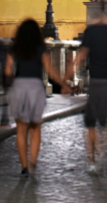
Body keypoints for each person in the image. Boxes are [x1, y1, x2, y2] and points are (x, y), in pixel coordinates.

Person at [68, 8, 107, 179]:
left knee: (90, 122)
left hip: (95, 81)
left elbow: (81, 56)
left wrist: (67, 78)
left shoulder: (90, 32)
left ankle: (92, 162)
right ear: (106, 16)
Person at [4, 19, 70, 177]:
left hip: (19, 86)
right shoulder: (41, 49)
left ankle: (24, 165)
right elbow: (50, 70)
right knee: (35, 128)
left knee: (21, 129)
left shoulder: (15, 49)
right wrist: (63, 83)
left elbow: (7, 71)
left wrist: (16, 75)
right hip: (35, 87)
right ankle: (33, 161)